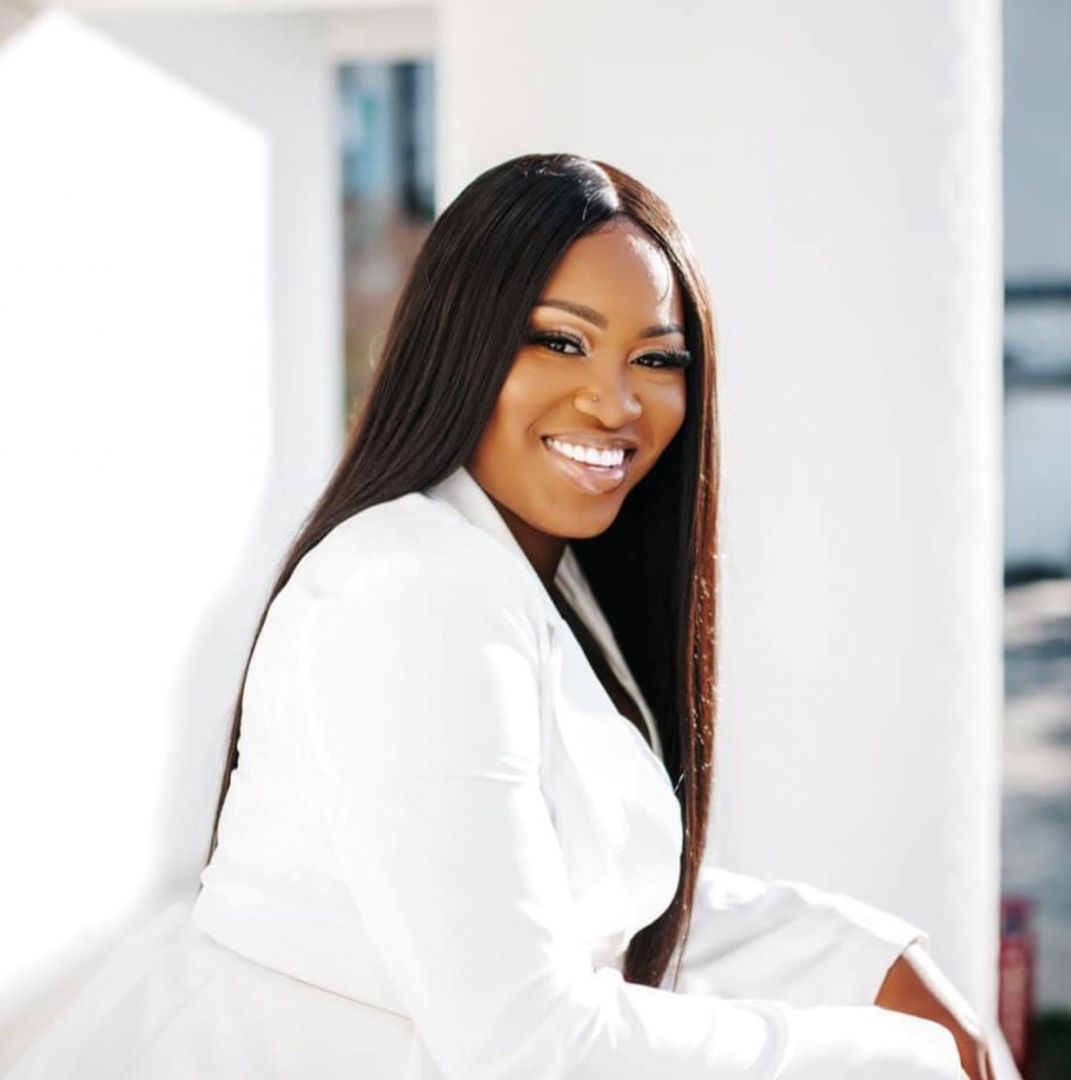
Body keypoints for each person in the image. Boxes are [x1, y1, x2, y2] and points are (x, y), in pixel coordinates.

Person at [5, 152, 995, 1079]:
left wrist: (867, 960)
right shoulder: (413, 590)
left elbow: (578, 870)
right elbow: (528, 1041)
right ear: (463, 341)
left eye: (658, 359)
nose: (613, 403)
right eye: (559, 340)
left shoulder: (523, 581)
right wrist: (884, 1059)